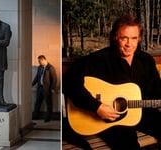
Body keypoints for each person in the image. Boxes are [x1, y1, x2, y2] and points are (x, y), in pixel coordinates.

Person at [63, 14, 161, 149]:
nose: (129, 44)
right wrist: (97, 106)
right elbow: (69, 81)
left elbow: (157, 91)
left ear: (139, 39)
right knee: (129, 146)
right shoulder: (100, 59)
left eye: (134, 38)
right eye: (124, 38)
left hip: (142, 112)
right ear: (115, 37)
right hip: (111, 119)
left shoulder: (146, 60)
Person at [32, 55, 57, 122]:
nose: (39, 63)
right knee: (37, 103)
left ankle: (48, 118)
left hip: (47, 89)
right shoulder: (39, 67)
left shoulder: (50, 68)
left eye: (39, 61)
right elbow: (37, 77)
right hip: (40, 88)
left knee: (48, 103)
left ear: (43, 60)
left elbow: (54, 79)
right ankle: (35, 116)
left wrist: (53, 88)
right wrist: (31, 84)